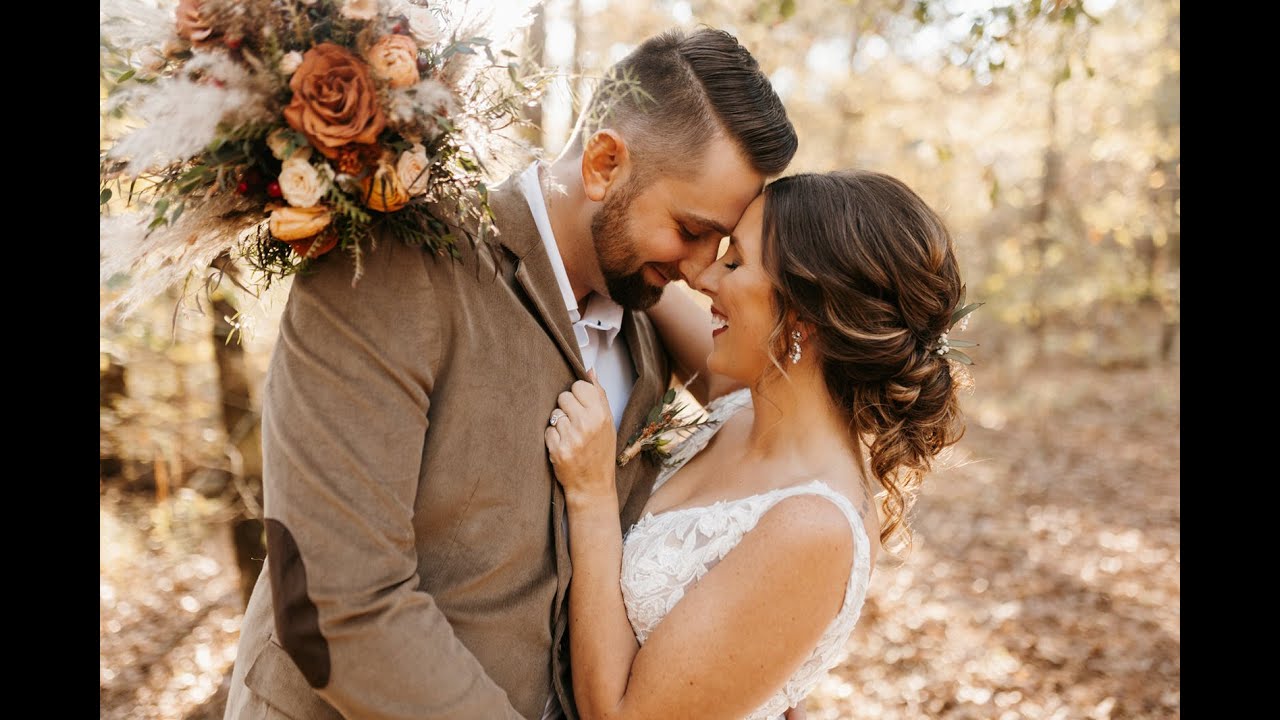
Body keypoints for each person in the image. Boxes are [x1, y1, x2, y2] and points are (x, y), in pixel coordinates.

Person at [223, 27, 797, 720]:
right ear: (604, 164)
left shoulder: (648, 332)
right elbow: (334, 602)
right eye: (691, 230)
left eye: (721, 242)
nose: (703, 271)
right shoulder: (397, 264)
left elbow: (779, 404)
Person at [544, 169, 971, 719]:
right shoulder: (744, 405)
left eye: (735, 263)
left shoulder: (812, 528)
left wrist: (592, 496)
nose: (703, 277)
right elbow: (650, 287)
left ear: (803, 314)